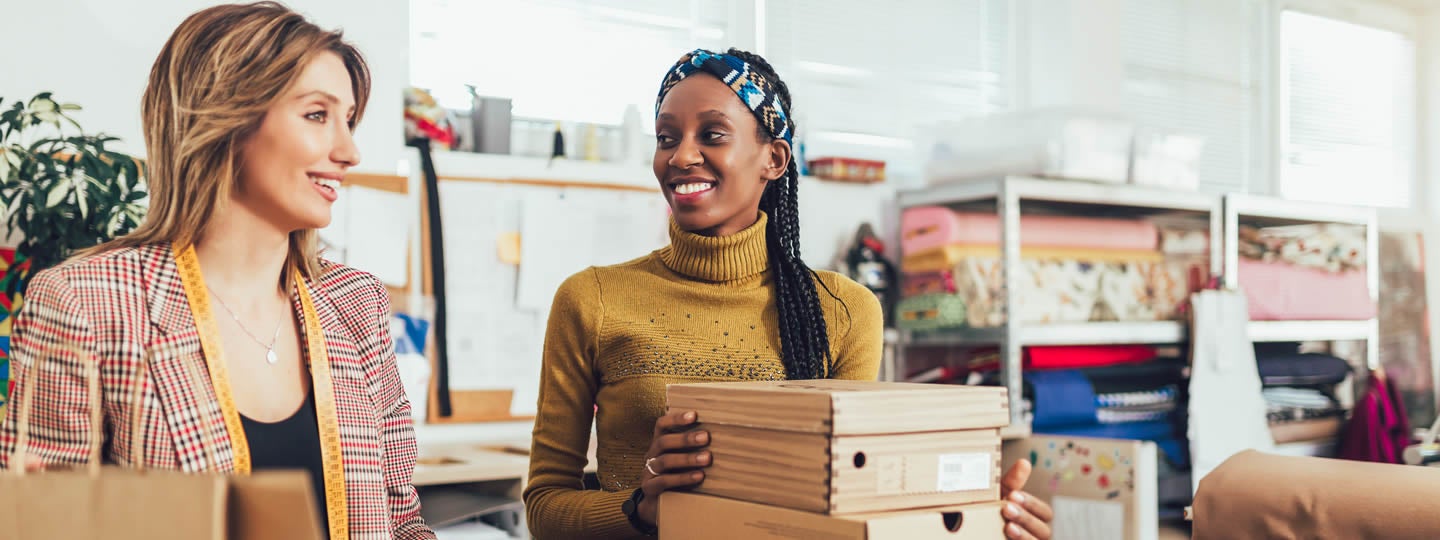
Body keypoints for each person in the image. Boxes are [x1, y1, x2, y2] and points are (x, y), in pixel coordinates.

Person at [524, 48, 1054, 540]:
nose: (681, 156)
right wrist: (640, 508)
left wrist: (975, 517)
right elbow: (544, 508)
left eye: (712, 134)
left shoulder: (842, 311)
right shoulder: (592, 298)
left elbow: (852, 503)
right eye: (666, 137)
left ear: (774, 159)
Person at [0, 3, 435, 539]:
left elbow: (403, 522)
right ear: (229, 117)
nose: (349, 151)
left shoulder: (355, 303)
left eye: (349, 120)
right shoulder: (85, 303)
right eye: (317, 115)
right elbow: (44, 528)